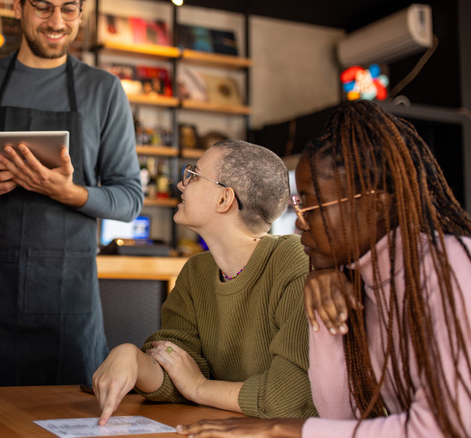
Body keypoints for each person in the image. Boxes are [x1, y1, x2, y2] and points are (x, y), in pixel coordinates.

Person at [175, 101, 471, 437]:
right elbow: (339, 413)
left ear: (373, 206)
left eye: (312, 206)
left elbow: (443, 428)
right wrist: (323, 295)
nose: (300, 225)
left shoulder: (453, 268)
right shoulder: (356, 276)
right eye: (299, 206)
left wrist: (283, 429)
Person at [0, 0, 143, 387]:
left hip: (66, 299)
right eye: (43, 7)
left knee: (67, 416)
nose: (56, 21)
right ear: (17, 8)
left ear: (81, 14)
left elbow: (129, 200)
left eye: (69, 9)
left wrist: (70, 193)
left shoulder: (103, 90)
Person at [92, 139, 317, 425]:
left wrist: (200, 387)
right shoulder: (196, 271)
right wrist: (133, 359)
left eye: (193, 176)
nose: (181, 185)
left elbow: (289, 399)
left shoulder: (294, 261)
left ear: (224, 199)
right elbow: (178, 370)